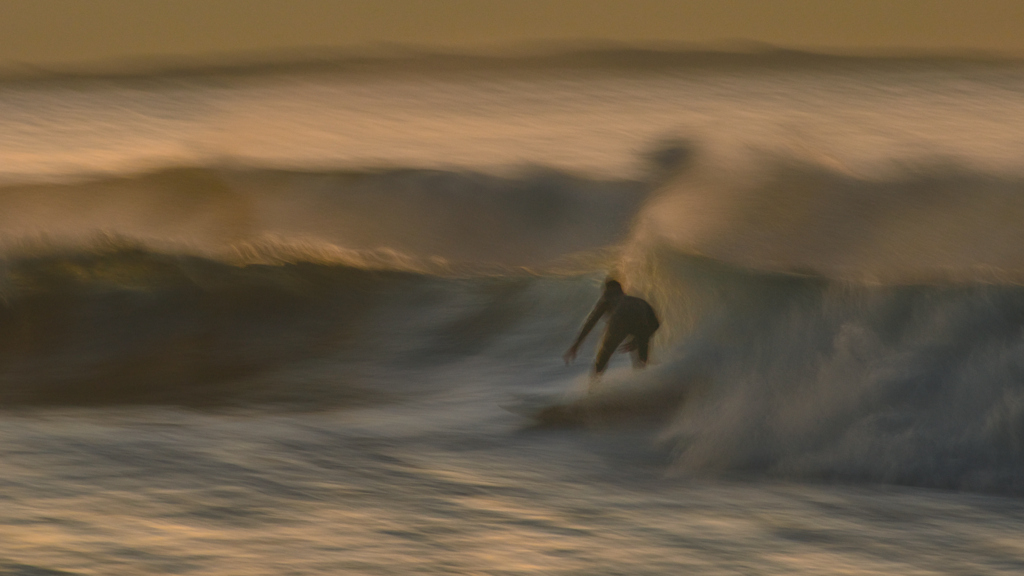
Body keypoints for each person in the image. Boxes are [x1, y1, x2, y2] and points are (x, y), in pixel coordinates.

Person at [563, 279, 660, 377]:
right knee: (641, 362)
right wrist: (637, 341)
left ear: (606, 291)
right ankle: (643, 385)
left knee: (603, 358)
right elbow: (656, 324)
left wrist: (576, 344)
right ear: (621, 290)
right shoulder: (638, 301)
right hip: (641, 320)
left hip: (619, 318)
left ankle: (593, 389)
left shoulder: (607, 298)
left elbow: (592, 321)